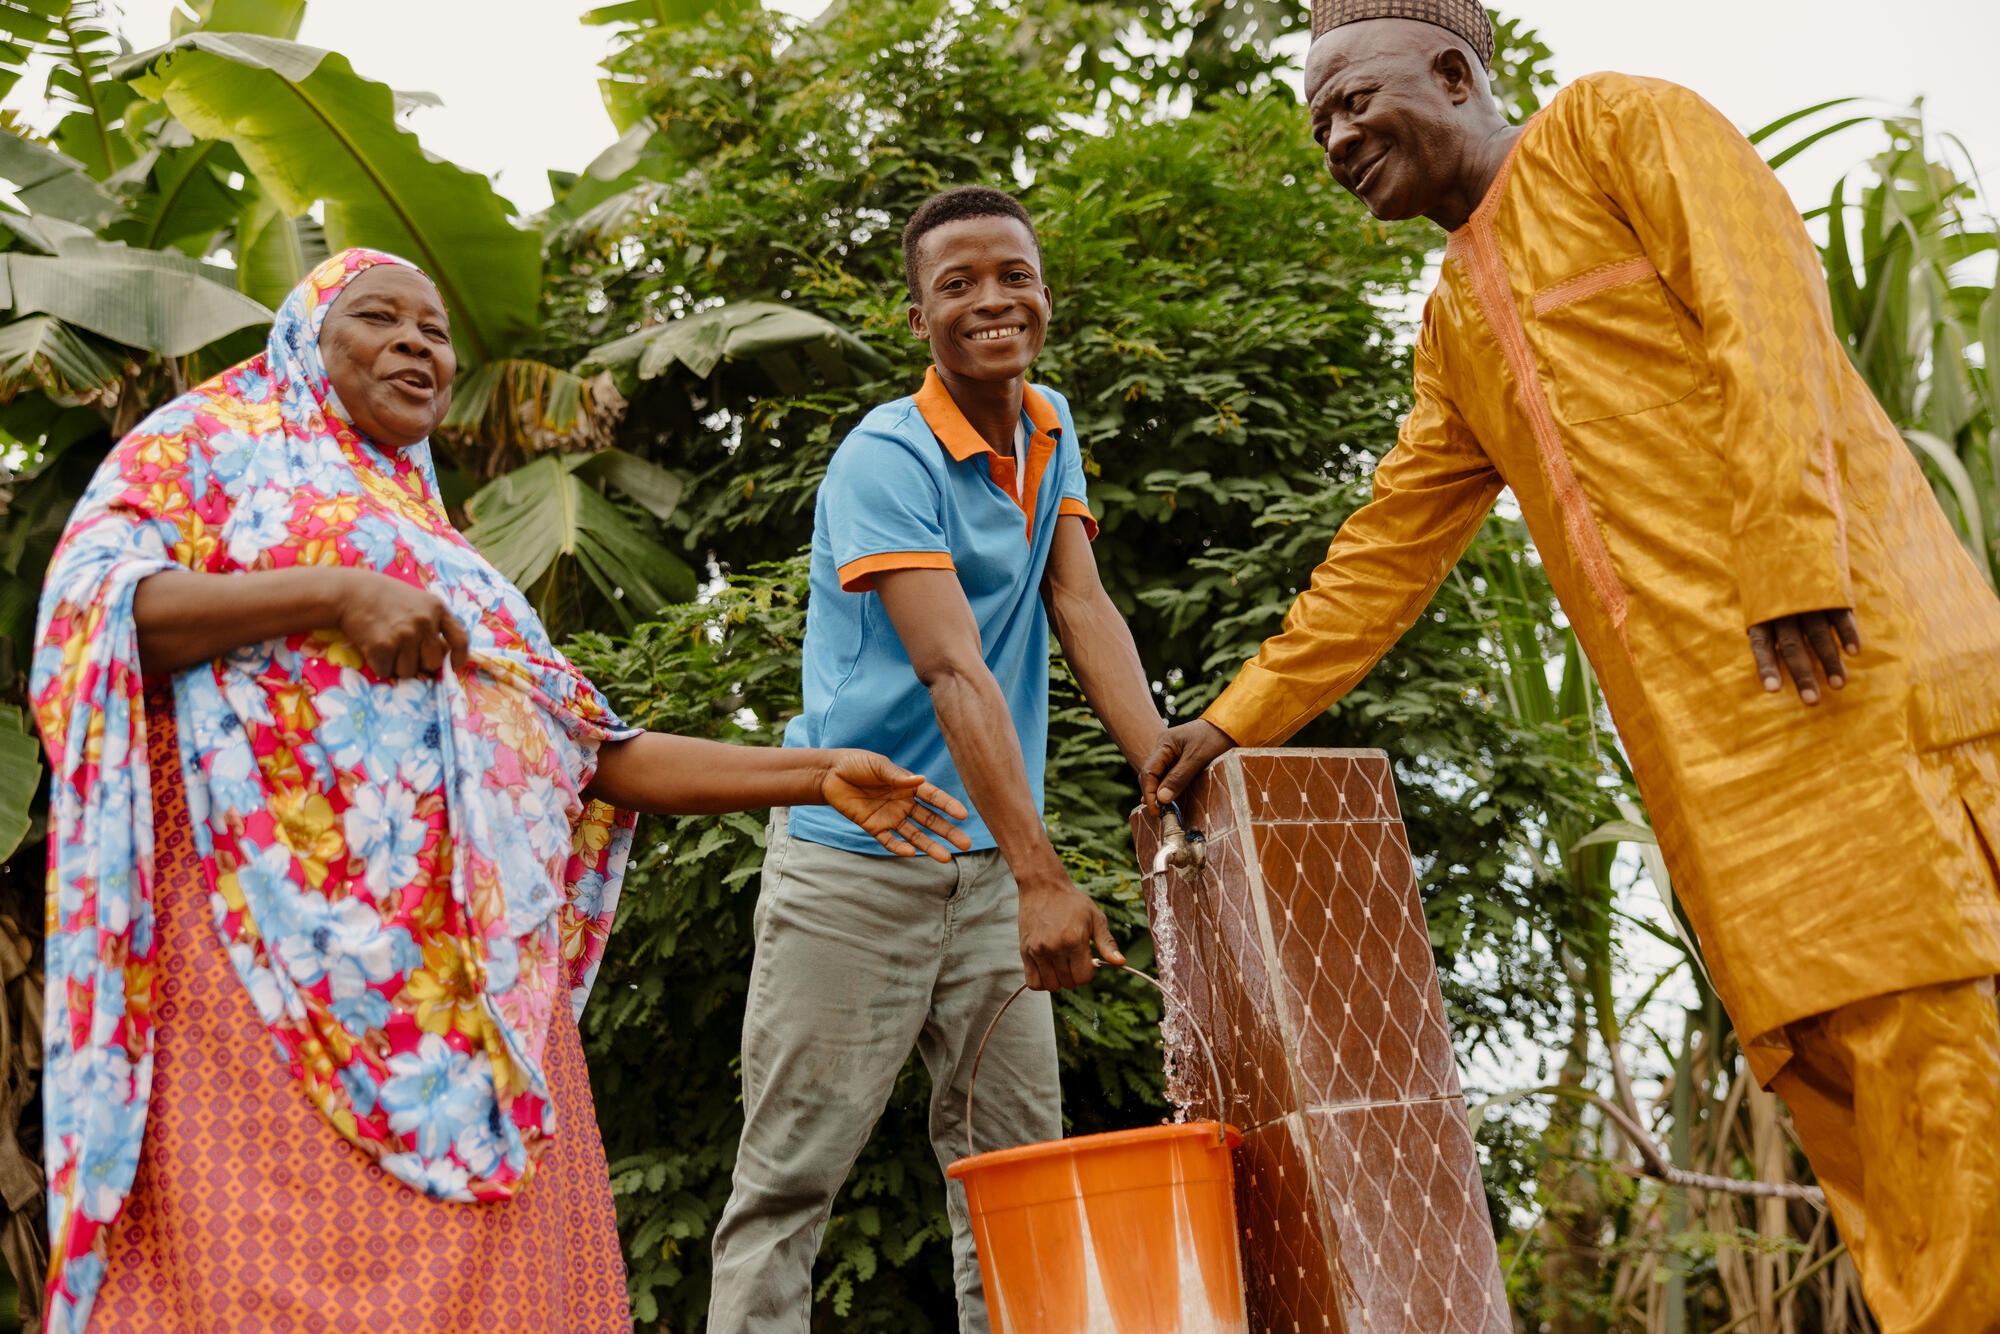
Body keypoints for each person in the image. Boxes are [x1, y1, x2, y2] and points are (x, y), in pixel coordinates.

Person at [1141, 3, 2000, 1329]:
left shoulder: (1617, 125)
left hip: (1848, 676)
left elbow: (1760, 300)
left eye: (1355, 101)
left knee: (1942, 1074)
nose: (1337, 137)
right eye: (1318, 124)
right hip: (1721, 779)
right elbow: (1386, 551)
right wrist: (1234, 716)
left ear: (1454, 70)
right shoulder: (1452, 326)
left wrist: (1790, 559)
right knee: (1852, 1100)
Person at [31, 248, 973, 1334]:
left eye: (434, 329)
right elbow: (91, 615)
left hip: (471, 998)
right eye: (378, 318)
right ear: (303, 343)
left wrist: (814, 773)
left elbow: (592, 749)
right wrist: (332, 591)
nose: (417, 343)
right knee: (267, 1264)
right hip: (264, 966)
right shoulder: (206, 446)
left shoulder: (451, 555)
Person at [706, 186, 1166, 1334]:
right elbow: (953, 670)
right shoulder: (885, 458)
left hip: (988, 872)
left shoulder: (1048, 424)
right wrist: (1044, 875)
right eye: (955, 284)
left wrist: (1164, 768)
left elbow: (1081, 600)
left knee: (1018, 1178)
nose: (990, 300)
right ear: (918, 319)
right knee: (787, 1182)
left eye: (1011, 273)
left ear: (1043, 292)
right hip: (853, 867)